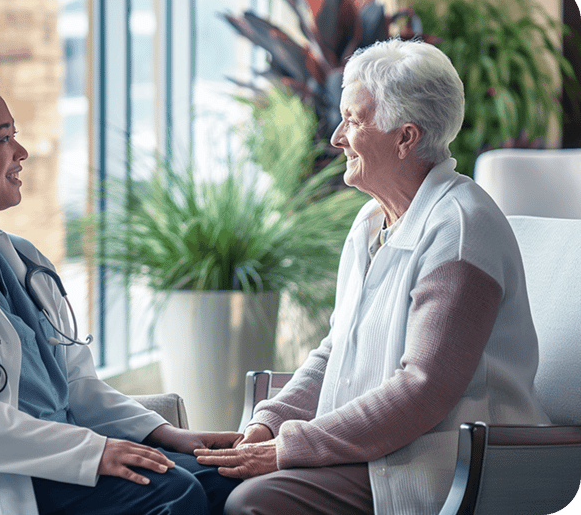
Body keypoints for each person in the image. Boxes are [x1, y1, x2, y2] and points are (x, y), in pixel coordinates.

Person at [0, 67, 241, 515]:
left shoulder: (19, 257)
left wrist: (165, 435)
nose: (21, 152)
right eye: (2, 139)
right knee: (174, 494)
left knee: (220, 480)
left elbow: (75, 384)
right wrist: (91, 453)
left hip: (56, 461)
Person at [195, 38, 550, 515]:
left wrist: (289, 447)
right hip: (373, 455)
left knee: (254, 503)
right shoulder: (368, 223)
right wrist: (271, 422)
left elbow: (421, 391)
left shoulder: (460, 229)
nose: (337, 137)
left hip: (434, 466)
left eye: (354, 121)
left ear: (405, 137)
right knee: (202, 483)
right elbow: (333, 351)